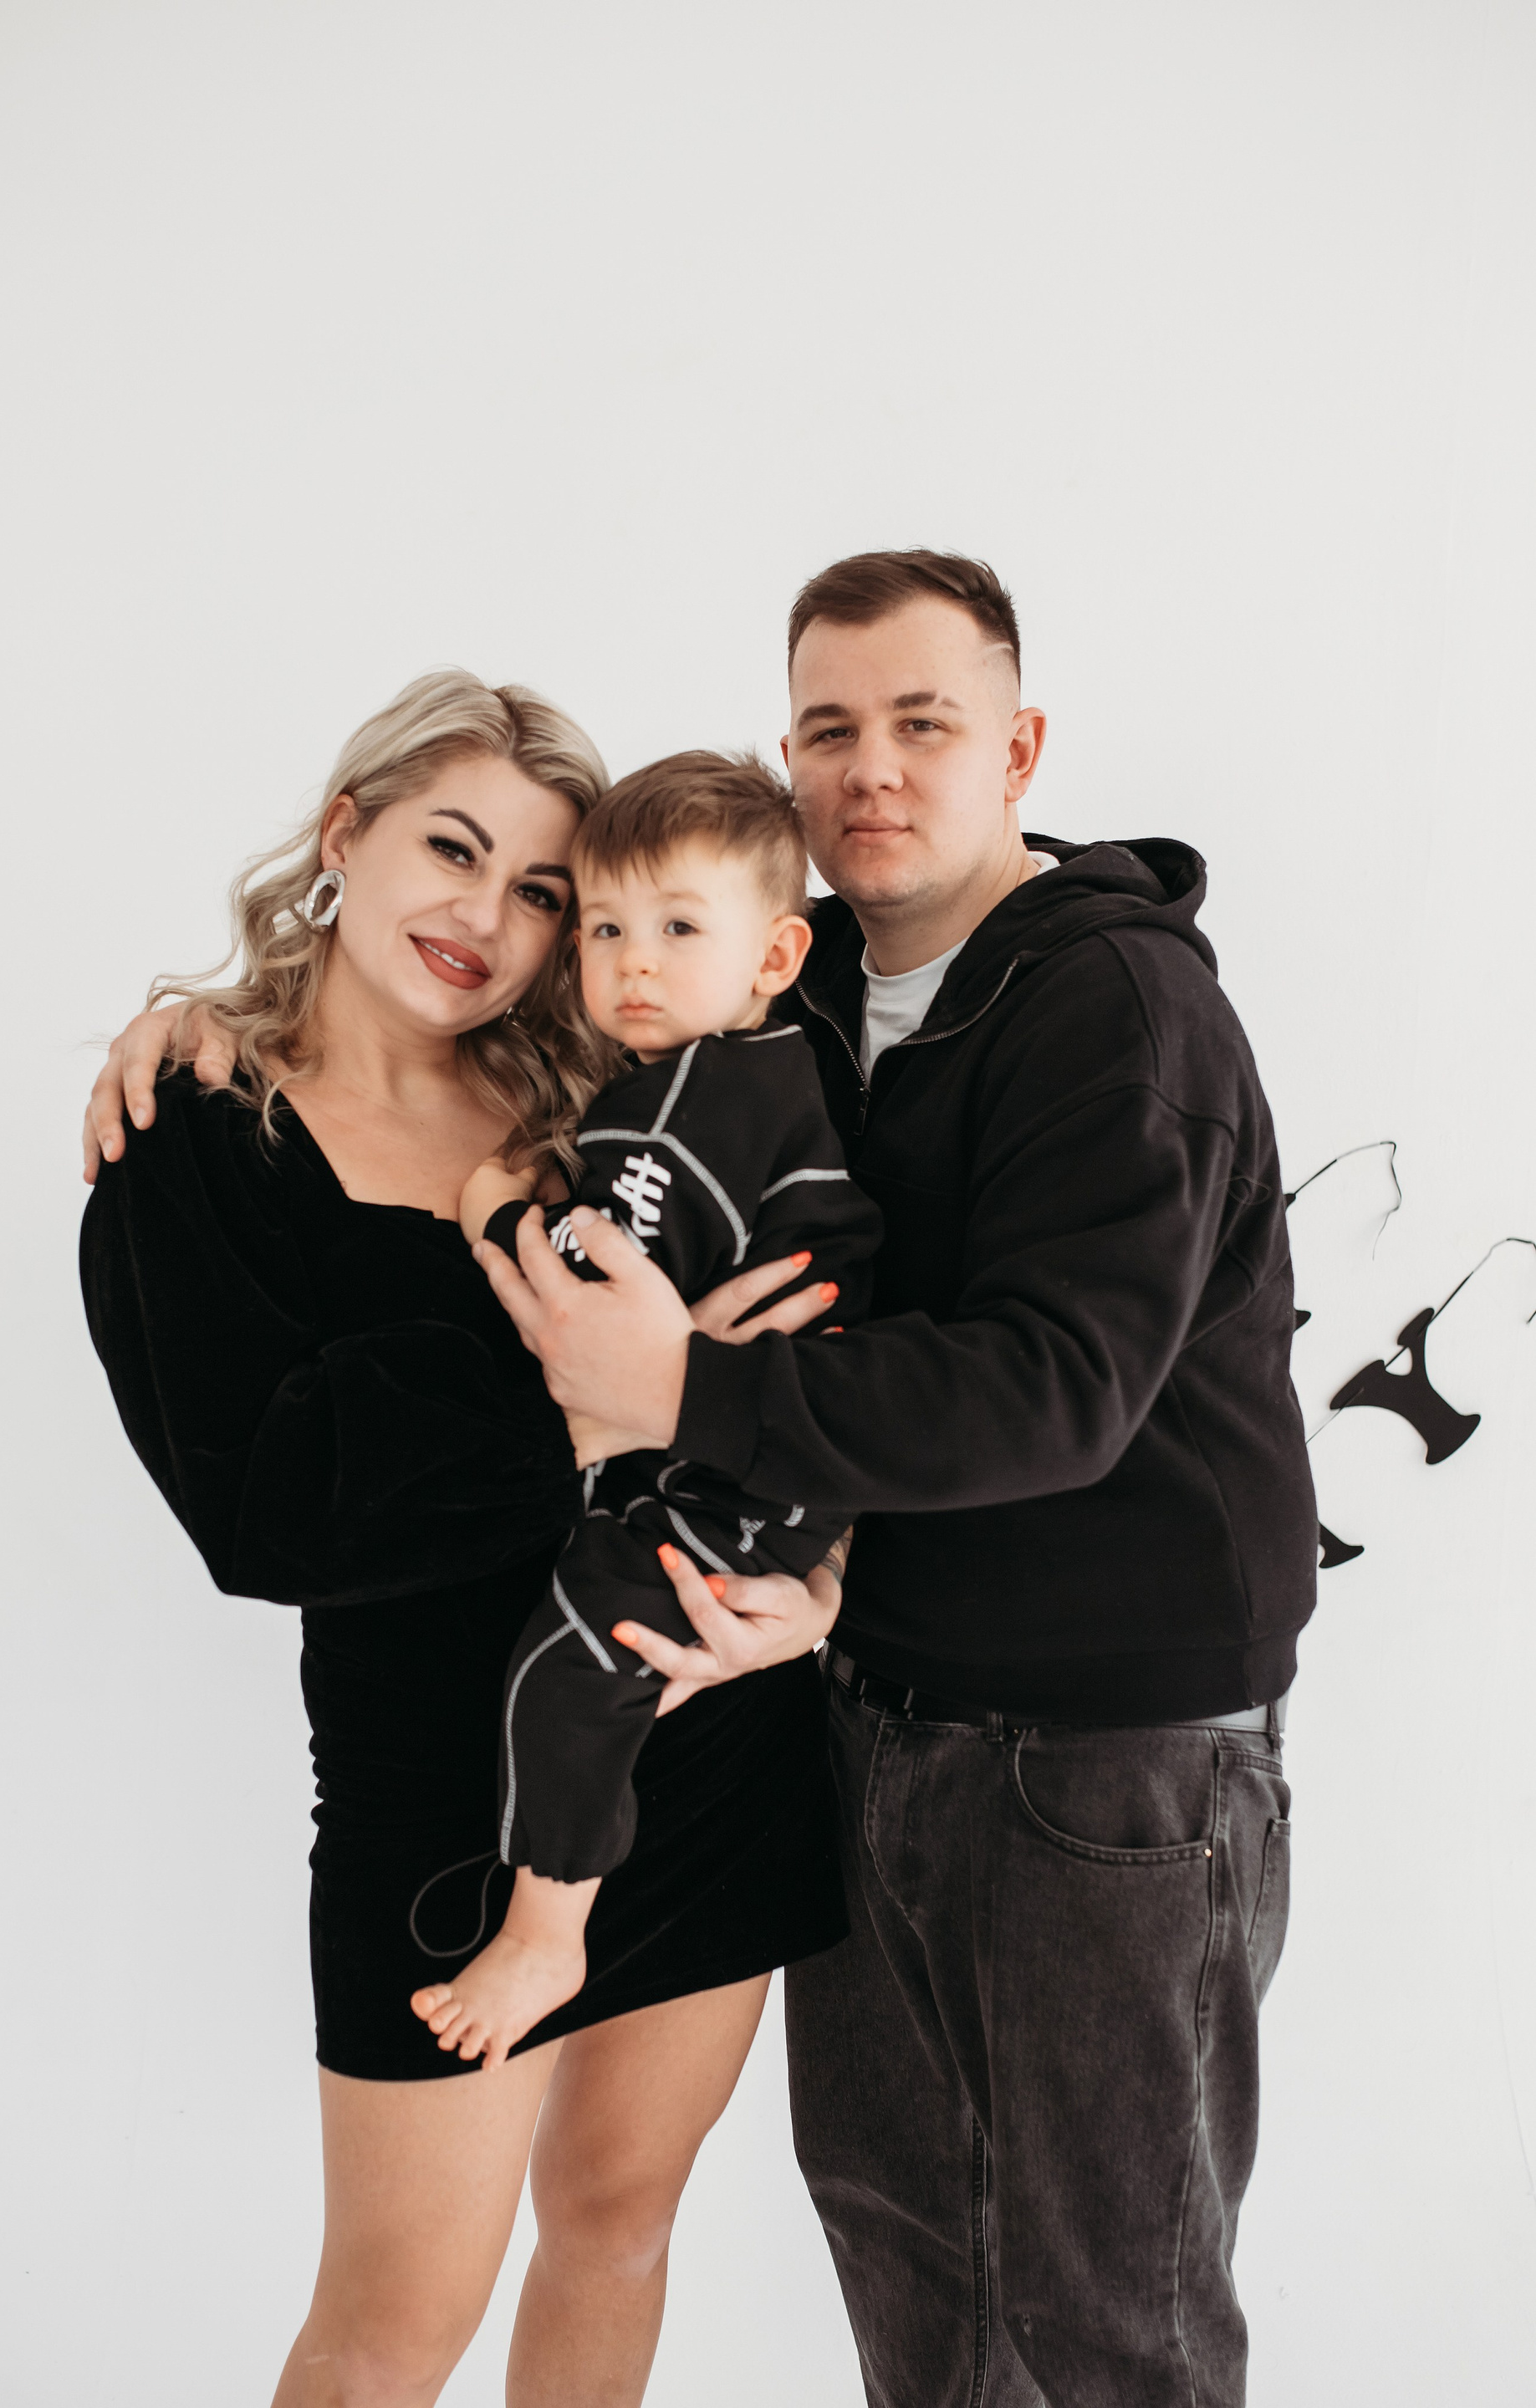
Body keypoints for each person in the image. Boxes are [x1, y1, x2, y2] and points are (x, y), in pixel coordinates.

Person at [473, 550, 1319, 2408]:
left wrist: (681, 1387)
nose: (871, 767)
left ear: (1017, 750)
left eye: (924, 724)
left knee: (1107, 2326)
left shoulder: (1116, 1011)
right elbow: (546, 1023)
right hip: (873, 1714)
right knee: (910, 2271)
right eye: (830, 728)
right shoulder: (799, 987)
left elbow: (1061, 1391)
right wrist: (227, 1017)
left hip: (1109, 1763)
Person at [78, 669, 845, 2408]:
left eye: (546, 893)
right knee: (386, 2338)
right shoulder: (196, 1136)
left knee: (619, 2226)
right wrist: (601, 1405)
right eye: (452, 849)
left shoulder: (610, 1103)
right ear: (343, 833)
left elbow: (816, 1323)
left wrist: (815, 1594)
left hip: (702, 1732)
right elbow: (263, 1509)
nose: (487, 920)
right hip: (441, 1799)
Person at [414, 751, 880, 2071]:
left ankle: (544, 1931)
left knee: (576, 1657)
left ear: (775, 953)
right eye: (607, 930)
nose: (633, 965)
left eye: (679, 929)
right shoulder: (763, 1073)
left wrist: (497, 1212)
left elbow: (595, 1298)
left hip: (742, 1481)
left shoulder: (677, 1113)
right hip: (779, 1463)